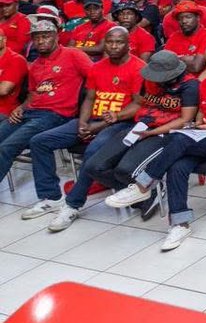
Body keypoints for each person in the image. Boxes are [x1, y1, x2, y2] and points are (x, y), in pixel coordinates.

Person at [106, 39, 206, 251]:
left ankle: (143, 184)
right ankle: (180, 224)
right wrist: (198, 124)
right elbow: (202, 112)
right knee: (177, 165)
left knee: (179, 140)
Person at [44, 50, 200, 230]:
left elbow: (185, 120)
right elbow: (141, 104)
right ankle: (147, 194)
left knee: (125, 170)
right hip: (141, 125)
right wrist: (118, 116)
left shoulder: (189, 85)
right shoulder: (149, 79)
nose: (155, 80)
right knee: (94, 166)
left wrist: (152, 132)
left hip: (165, 132)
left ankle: (144, 189)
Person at [20, 27, 142, 221]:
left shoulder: (138, 67)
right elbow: (89, 98)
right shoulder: (97, 67)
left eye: (119, 42)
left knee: (92, 151)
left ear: (129, 45)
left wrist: (103, 123)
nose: (113, 46)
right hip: (93, 119)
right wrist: (84, 123)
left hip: (121, 123)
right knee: (39, 141)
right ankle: (51, 197)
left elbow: (138, 104)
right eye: (109, 42)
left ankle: (73, 204)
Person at [0, 19, 92, 203]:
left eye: (45, 36)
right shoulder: (35, 65)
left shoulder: (73, 54)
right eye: (36, 37)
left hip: (56, 114)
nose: (40, 41)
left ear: (56, 36)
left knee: (6, 147)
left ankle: (49, 198)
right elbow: (33, 94)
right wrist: (21, 107)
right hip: (30, 112)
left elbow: (96, 76)